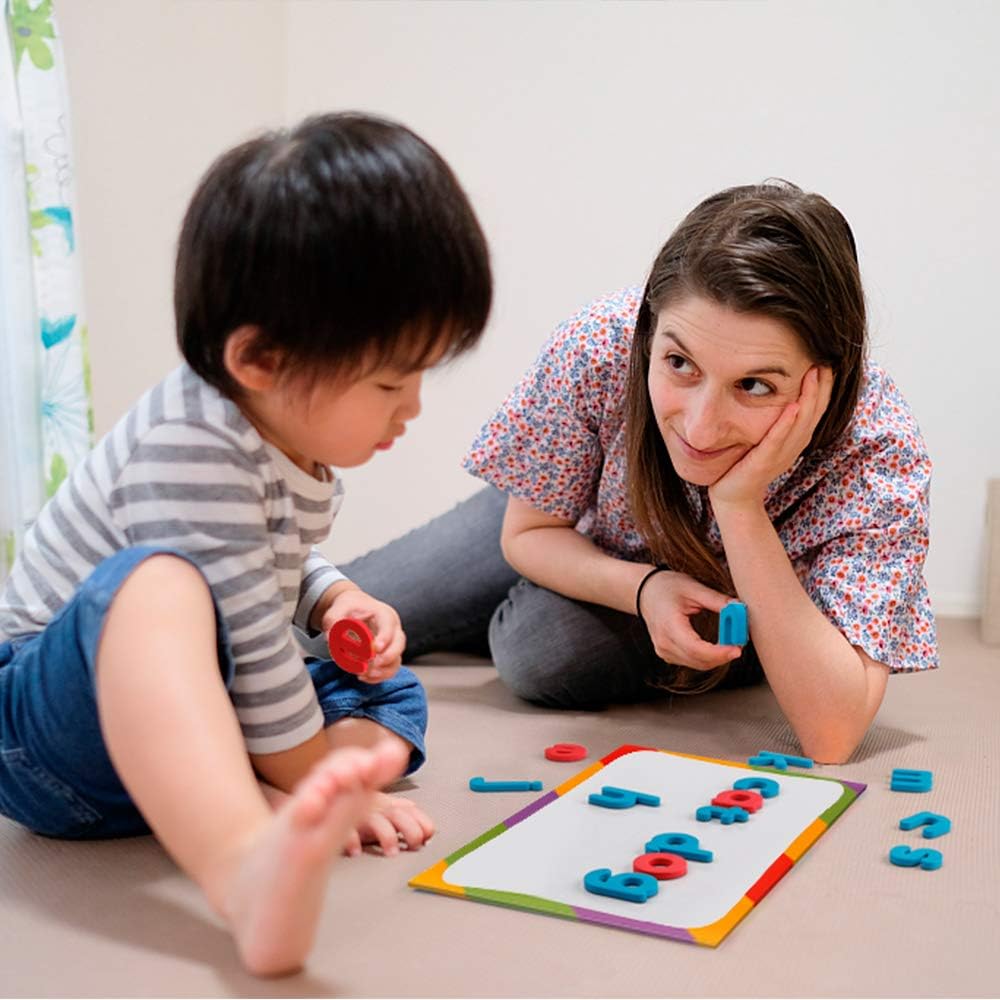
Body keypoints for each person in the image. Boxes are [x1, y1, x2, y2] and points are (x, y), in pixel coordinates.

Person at [0, 112, 491, 975]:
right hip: (50, 729)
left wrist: (335, 595)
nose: (410, 408)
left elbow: (269, 558)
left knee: (393, 690)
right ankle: (243, 862)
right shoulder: (190, 442)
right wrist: (303, 768)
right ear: (259, 359)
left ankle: (242, 781)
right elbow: (249, 637)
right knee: (157, 589)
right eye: (389, 381)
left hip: (171, 711)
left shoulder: (273, 430)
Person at [333, 180, 937, 767]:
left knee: (539, 650)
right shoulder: (602, 343)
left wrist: (740, 505)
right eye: (679, 364)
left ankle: (524, 607)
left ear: (825, 380)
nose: (701, 430)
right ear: (647, 335)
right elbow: (530, 532)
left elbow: (833, 734)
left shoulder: (879, 453)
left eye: (755, 385)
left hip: (752, 599)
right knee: (327, 621)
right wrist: (644, 590)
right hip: (569, 515)